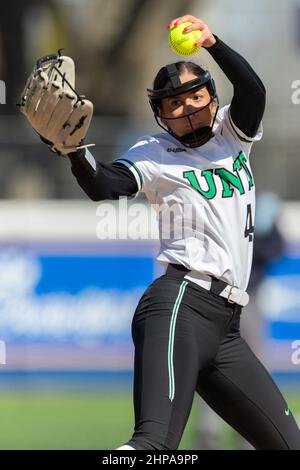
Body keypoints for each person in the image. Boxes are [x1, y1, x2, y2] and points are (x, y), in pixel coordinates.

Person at [68, 15, 300, 450]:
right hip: (181, 304)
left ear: (213, 97)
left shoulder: (232, 134)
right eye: (174, 103)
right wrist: (74, 153)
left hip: (228, 326)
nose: (188, 107)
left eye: (196, 95)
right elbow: (106, 185)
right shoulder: (154, 152)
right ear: (159, 114)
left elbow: (254, 91)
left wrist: (213, 42)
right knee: (154, 446)